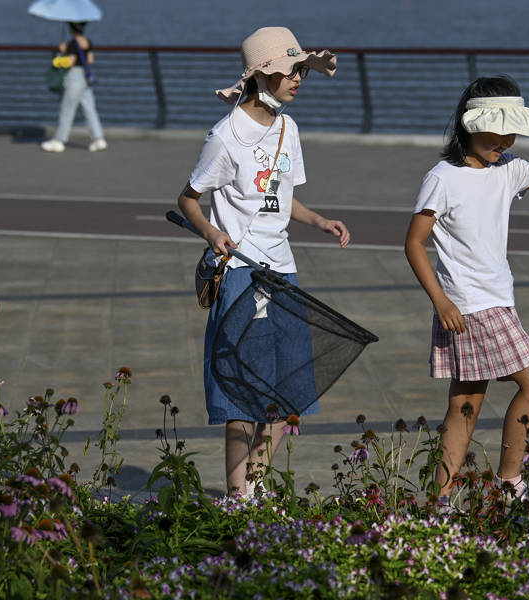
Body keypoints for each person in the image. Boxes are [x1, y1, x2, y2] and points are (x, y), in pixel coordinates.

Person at [404, 75, 529, 508]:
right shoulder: (443, 177)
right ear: (469, 127)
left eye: (510, 131)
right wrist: (441, 300)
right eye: (495, 131)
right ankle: (510, 481)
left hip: (492, 302)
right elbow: (414, 242)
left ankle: (439, 506)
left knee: (466, 404)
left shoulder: (508, 167)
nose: (504, 139)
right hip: (472, 306)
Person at [177, 27, 350, 496]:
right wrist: (213, 233)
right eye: (292, 71)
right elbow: (189, 198)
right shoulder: (225, 135)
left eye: (302, 72)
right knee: (239, 390)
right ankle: (239, 495)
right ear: (263, 75)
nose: (299, 80)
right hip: (239, 274)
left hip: (283, 270)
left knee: (288, 385)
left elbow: (283, 195)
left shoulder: (288, 129)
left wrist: (319, 221)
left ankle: (253, 484)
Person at [41, 21, 107, 153]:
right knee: (90, 109)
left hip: (74, 78)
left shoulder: (72, 44)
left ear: (71, 29)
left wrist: (59, 57)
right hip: (85, 78)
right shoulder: (87, 42)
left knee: (67, 110)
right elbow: (90, 60)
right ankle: (98, 139)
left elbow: (69, 62)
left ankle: (59, 140)